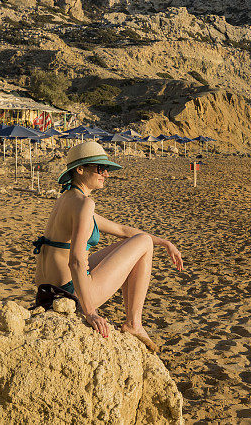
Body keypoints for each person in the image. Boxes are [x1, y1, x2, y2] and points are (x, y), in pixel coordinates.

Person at [33, 141, 183, 351]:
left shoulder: (68, 199)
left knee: (139, 241)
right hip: (68, 294)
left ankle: (133, 322)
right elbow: (75, 261)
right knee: (144, 243)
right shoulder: (85, 204)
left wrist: (165, 243)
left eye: (107, 169)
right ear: (80, 169)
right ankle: (134, 324)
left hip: (46, 294)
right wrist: (90, 312)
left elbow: (122, 230)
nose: (106, 174)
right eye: (100, 168)